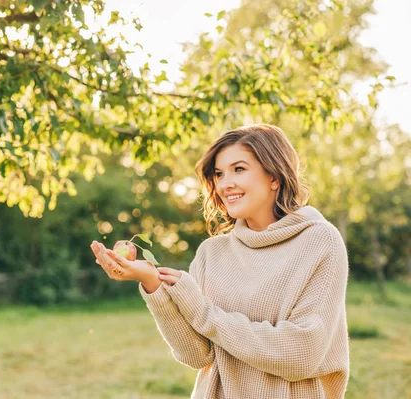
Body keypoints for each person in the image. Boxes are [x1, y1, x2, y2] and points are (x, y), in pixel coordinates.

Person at [90, 124, 350, 399]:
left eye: (239, 169)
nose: (225, 185)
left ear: (274, 176)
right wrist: (152, 283)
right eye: (218, 174)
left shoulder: (320, 241)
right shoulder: (211, 253)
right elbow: (197, 355)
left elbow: (301, 354)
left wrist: (202, 311)